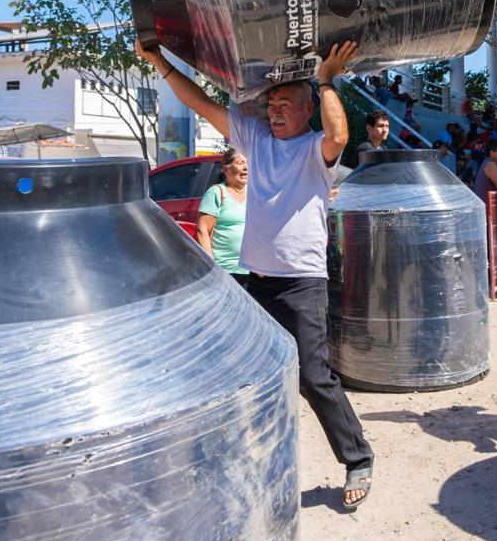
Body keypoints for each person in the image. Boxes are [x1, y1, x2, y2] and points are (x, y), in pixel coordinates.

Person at [136, 39, 375, 509]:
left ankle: (358, 457)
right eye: (271, 103)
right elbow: (198, 102)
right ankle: (247, 458)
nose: (275, 110)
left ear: (308, 108)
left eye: (286, 103)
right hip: (255, 280)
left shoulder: (313, 150)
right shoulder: (254, 140)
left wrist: (326, 79)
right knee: (245, 371)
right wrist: (160, 62)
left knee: (312, 375)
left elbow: (340, 137)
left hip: (302, 281)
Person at [195, 148, 249, 284]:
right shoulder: (217, 192)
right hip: (225, 271)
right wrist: (213, 267)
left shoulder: (254, 193)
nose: (246, 167)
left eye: (248, 162)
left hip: (251, 270)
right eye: (240, 162)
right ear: (226, 170)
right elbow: (202, 231)